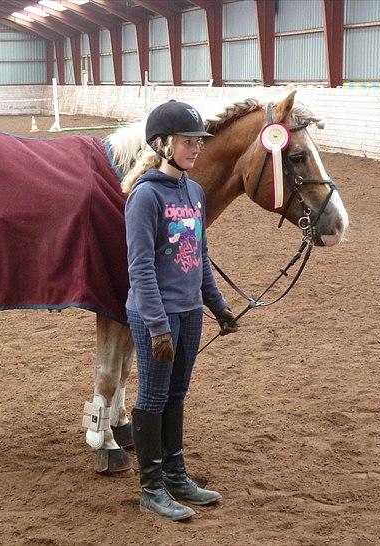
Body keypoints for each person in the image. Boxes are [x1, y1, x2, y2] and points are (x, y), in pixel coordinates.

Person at [122, 100, 239, 521]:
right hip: (156, 315)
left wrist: (218, 306)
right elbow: (141, 268)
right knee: (152, 397)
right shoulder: (145, 197)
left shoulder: (194, 192)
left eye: (198, 142)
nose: (196, 149)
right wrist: (156, 326)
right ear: (163, 144)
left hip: (189, 312)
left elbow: (200, 255)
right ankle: (151, 487)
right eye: (188, 141)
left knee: (177, 394)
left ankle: (175, 474)